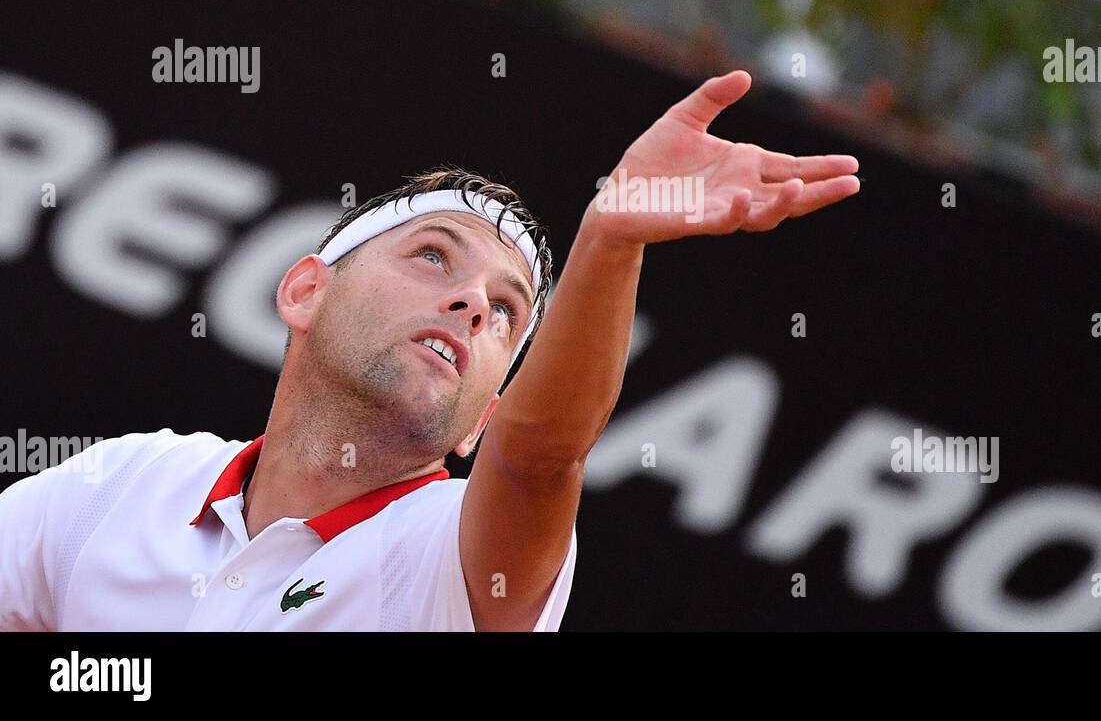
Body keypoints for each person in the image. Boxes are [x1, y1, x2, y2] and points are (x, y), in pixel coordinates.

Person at [0, 70, 860, 631]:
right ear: (306, 290)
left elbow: (539, 459)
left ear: (482, 420)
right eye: (433, 256)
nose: (470, 304)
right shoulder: (124, 484)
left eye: (506, 309)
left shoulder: (445, 560)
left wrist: (610, 239)